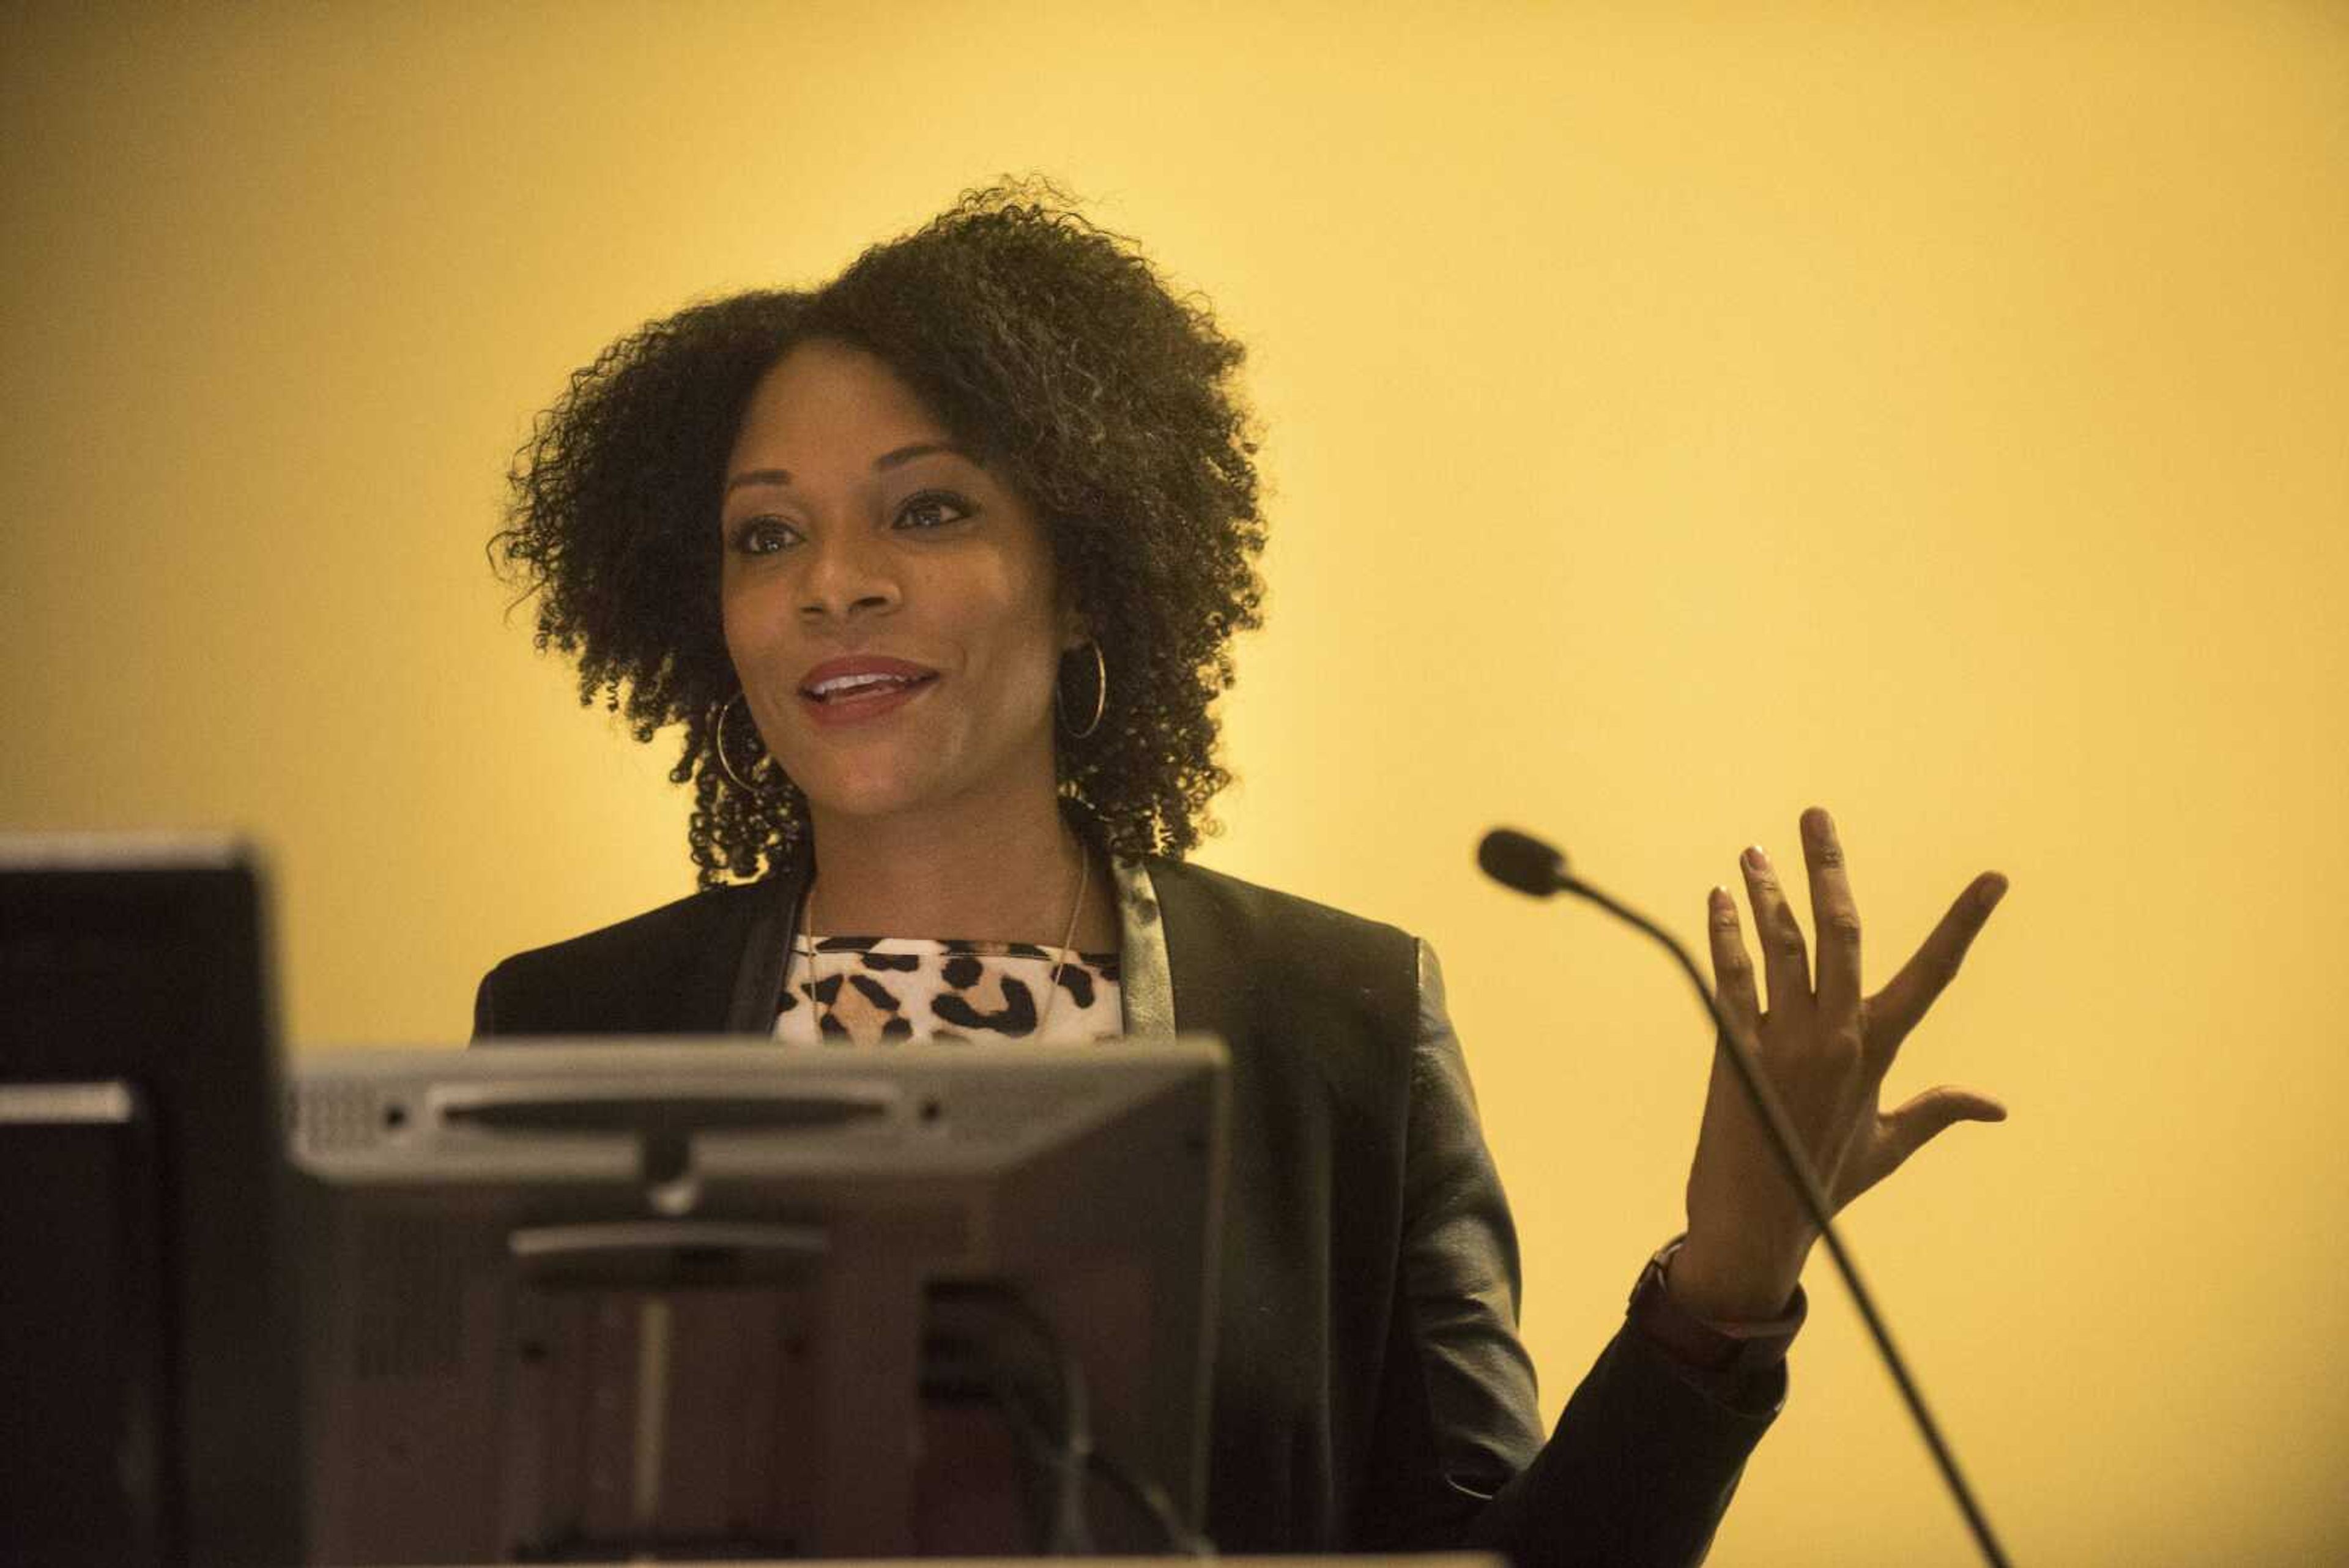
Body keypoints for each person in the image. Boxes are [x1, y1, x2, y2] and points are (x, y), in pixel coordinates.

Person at [475, 179, 2011, 1564]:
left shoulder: (1334, 1022)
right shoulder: (574, 1028)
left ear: (1086, 577)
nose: (835, 581)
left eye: (926, 509)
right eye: (766, 536)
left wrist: (1729, 1277)